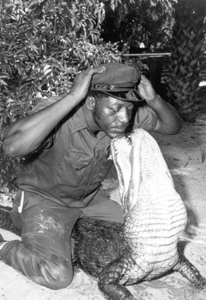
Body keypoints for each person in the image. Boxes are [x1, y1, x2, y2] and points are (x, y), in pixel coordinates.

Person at [1, 62, 182, 290]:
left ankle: (68, 236)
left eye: (129, 109)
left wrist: (154, 99)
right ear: (90, 101)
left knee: (149, 235)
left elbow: (172, 126)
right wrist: (73, 95)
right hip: (44, 201)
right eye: (113, 109)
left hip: (89, 200)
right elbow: (12, 146)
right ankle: (4, 248)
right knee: (57, 275)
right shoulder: (59, 115)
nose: (124, 118)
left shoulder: (121, 116)